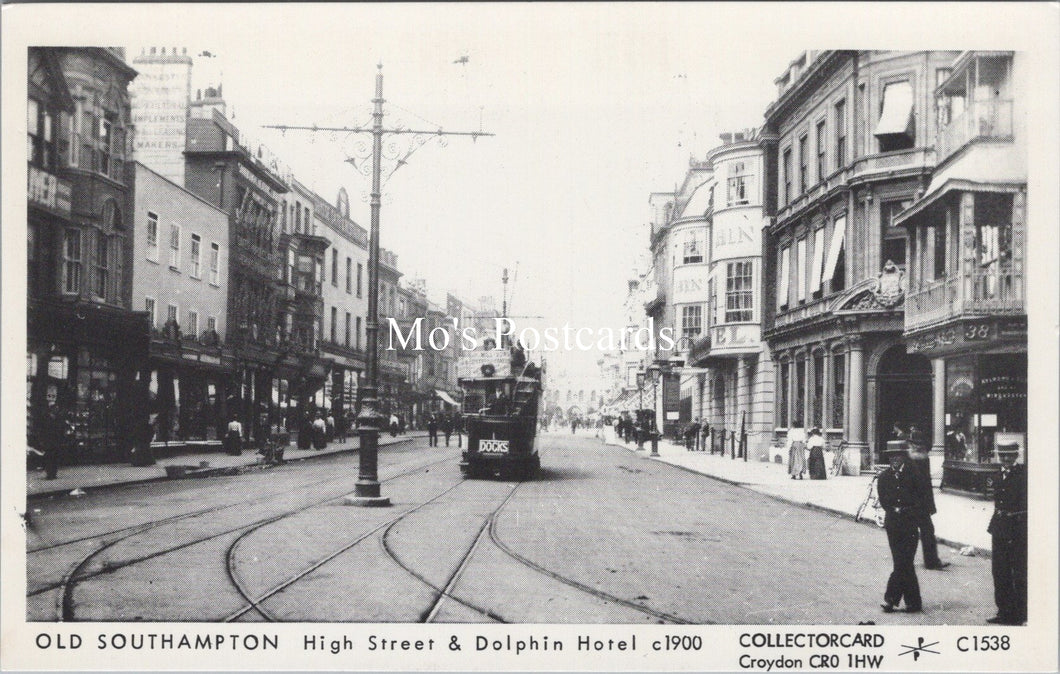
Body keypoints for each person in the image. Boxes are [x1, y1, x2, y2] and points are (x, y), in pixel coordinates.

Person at [876, 444, 924, 614]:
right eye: (891, 457)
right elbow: (883, 501)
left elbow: (920, 499)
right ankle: (913, 602)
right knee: (902, 561)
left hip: (910, 523)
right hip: (893, 524)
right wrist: (893, 510)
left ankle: (890, 599)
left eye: (897, 456)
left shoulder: (914, 475)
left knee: (903, 561)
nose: (894, 460)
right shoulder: (884, 477)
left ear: (903, 457)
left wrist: (910, 513)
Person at [988, 444, 1027, 625]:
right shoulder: (997, 475)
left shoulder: (1023, 476)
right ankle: (1003, 610)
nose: (1005, 460)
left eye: (1009, 456)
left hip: (1017, 529)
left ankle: (1019, 613)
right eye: (1002, 456)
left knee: (1018, 572)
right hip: (999, 528)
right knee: (999, 571)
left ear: (1016, 456)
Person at [906, 424, 948, 570]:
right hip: (910, 503)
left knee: (928, 531)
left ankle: (931, 561)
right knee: (911, 533)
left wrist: (931, 505)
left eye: (920, 444)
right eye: (915, 444)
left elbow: (927, 484)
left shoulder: (925, 459)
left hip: (922, 504)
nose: (918, 447)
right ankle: (907, 560)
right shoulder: (907, 460)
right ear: (910, 444)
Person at [38, 399, 68, 479]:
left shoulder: (58, 418)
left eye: (57, 408)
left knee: (55, 457)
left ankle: (54, 473)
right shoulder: (45, 417)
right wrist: (42, 440)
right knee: (49, 457)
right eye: (55, 408)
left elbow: (61, 429)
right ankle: (49, 473)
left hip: (56, 441)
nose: (57, 409)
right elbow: (42, 430)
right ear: (51, 409)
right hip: (48, 441)